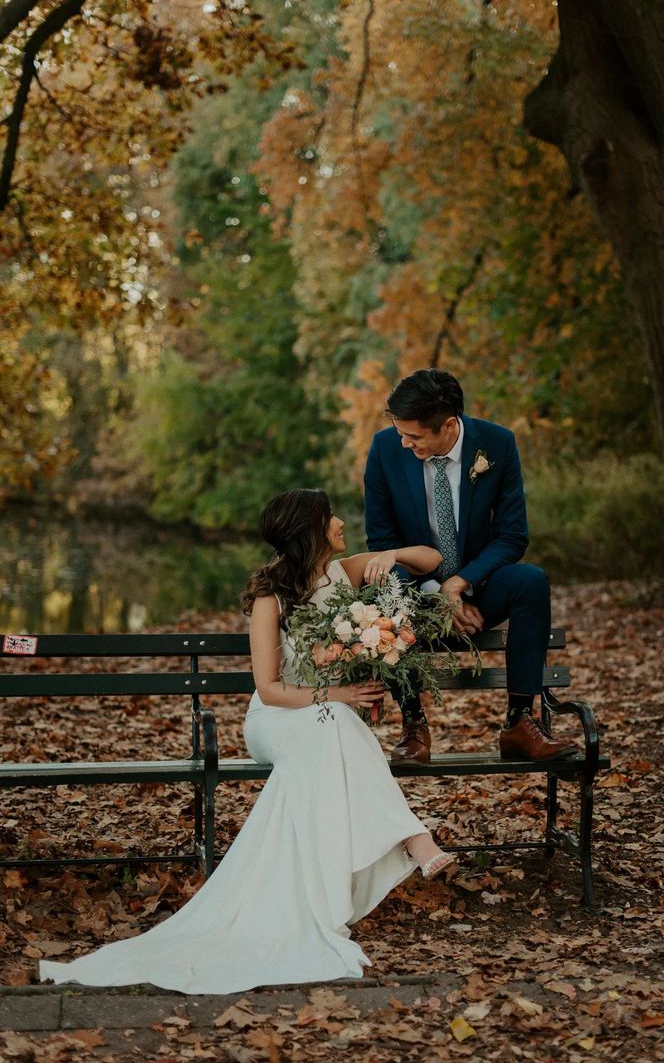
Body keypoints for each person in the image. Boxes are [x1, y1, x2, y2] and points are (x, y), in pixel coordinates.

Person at [39, 489, 452, 995]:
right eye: (330, 517)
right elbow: (269, 689)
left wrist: (391, 556)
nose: (342, 522)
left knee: (337, 727)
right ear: (312, 529)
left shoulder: (344, 573)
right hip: (275, 719)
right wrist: (340, 691)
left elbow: (432, 559)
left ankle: (329, 887)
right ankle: (412, 838)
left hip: (322, 719)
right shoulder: (271, 596)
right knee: (337, 721)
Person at [364, 368, 579, 765]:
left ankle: (518, 722)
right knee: (383, 580)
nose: (404, 442)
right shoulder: (384, 450)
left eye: (413, 436)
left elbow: (513, 536)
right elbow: (382, 542)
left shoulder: (497, 444)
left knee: (531, 581)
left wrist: (460, 583)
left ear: (448, 425)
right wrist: (438, 595)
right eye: (400, 433)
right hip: (412, 592)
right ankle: (413, 725)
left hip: (481, 584)